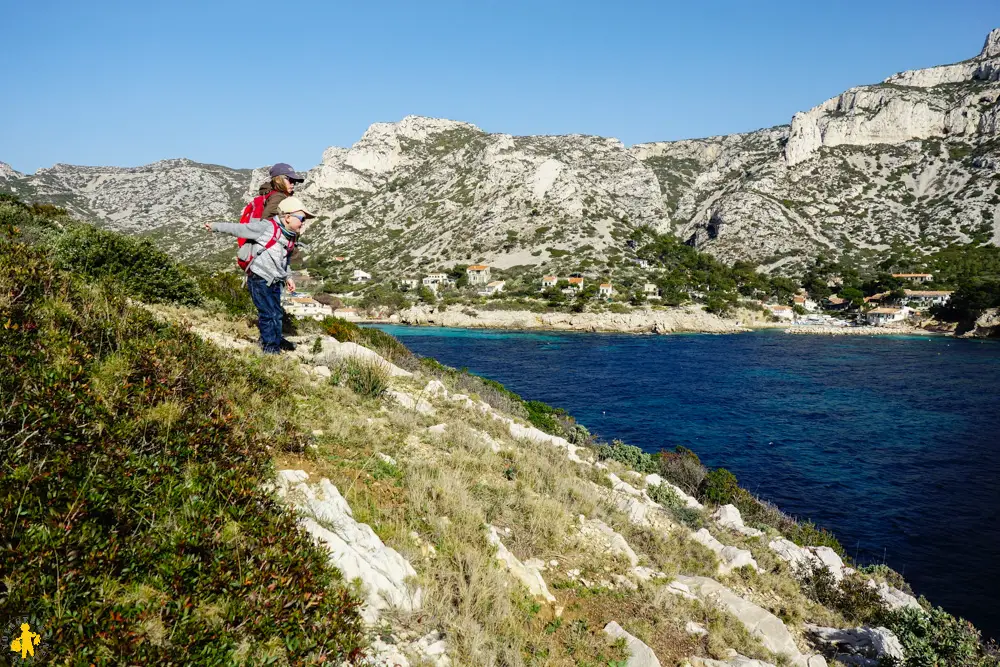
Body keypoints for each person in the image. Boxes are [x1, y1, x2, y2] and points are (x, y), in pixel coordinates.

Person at [205, 196, 315, 354]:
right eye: (302, 219)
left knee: (276, 313)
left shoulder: (290, 236)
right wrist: (215, 226)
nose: (304, 223)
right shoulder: (266, 227)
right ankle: (270, 350)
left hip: (276, 280)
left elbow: (285, 260)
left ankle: (275, 341)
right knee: (268, 314)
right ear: (288, 217)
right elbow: (239, 229)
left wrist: (288, 277)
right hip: (260, 278)